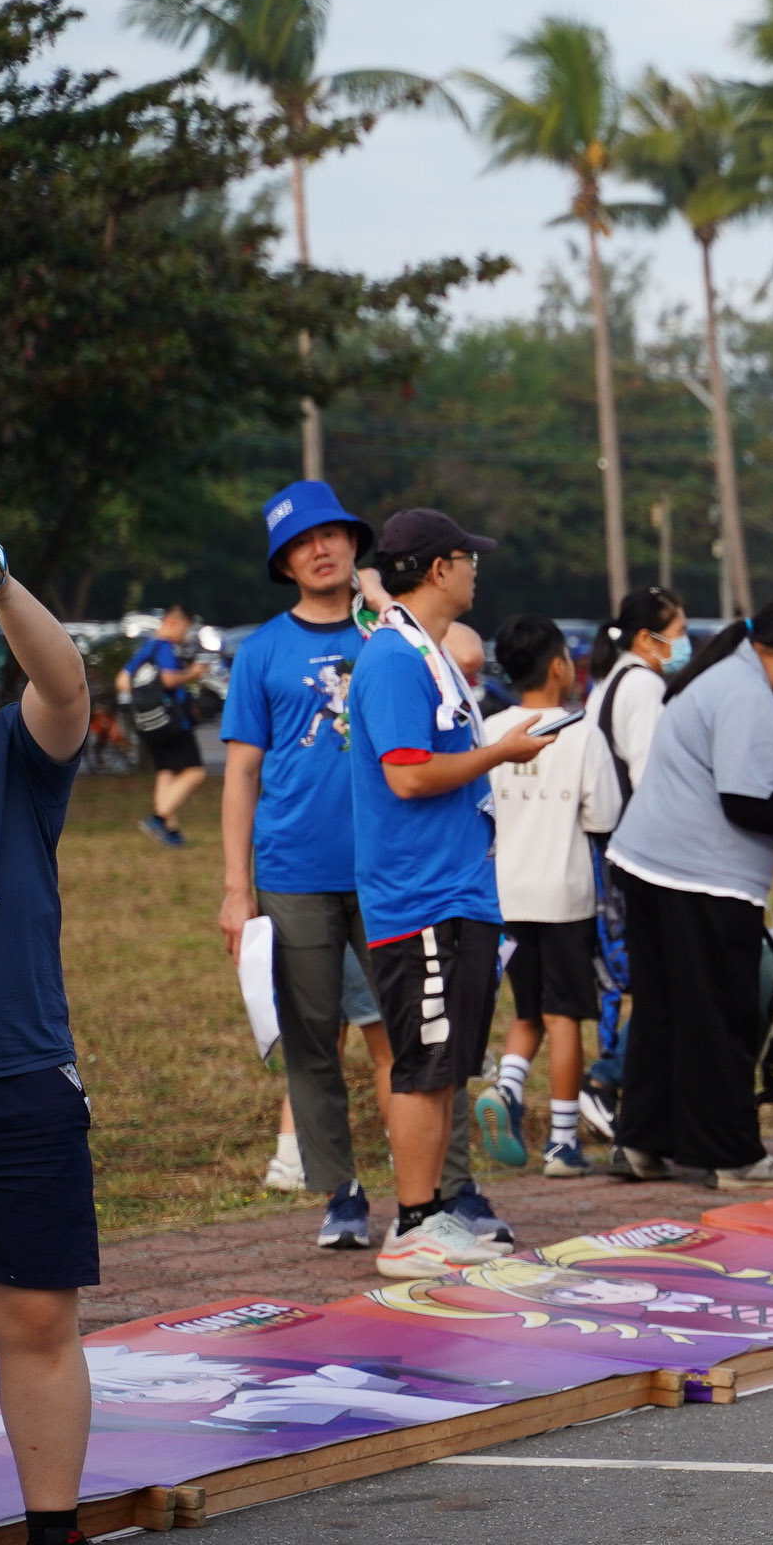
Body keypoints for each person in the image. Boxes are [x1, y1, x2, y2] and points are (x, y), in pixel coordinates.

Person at [216, 483, 497, 1247]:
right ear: (283, 564)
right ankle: (341, 1191)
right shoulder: (263, 651)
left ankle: (449, 1190)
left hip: (395, 872)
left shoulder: (395, 629)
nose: (320, 550)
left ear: (355, 544)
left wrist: (380, 599)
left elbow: (468, 653)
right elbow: (242, 771)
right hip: (294, 869)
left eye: (332, 535)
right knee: (314, 1040)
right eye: (300, 544)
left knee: (420, 1034)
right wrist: (237, 888)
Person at [0, 528, 116, 1545]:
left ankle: (55, 1541)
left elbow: (66, 687)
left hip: (13, 1081)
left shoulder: (8, 753)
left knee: (37, 1320)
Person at [346, 510, 558, 1278]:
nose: (477, 571)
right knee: (423, 1066)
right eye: (470, 559)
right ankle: (410, 1226)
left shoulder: (424, 651)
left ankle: (432, 1213)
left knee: (445, 1068)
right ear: (439, 569)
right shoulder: (395, 659)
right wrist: (500, 752)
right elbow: (407, 775)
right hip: (421, 896)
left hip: (454, 891)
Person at [606, 589, 773, 1189]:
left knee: (665, 1011)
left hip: (649, 862)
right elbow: (745, 803)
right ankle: (731, 1157)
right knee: (719, 1016)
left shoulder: (761, 685)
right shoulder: (746, 694)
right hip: (698, 877)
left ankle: (642, 1141)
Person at [479, 616, 617, 1179]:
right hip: (564, 896)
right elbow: (604, 815)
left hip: (506, 894)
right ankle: (562, 1142)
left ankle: (508, 1087)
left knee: (527, 1010)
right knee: (564, 1019)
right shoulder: (581, 732)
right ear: (559, 666)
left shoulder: (489, 729)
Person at [576, 586, 686, 1144]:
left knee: (632, 974)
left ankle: (616, 1080)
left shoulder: (612, 680)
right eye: (680, 632)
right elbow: (650, 777)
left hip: (609, 847)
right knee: (653, 973)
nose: (685, 644)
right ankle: (608, 1079)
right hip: (638, 850)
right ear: (648, 638)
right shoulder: (643, 685)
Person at [127, 602, 208, 847]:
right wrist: (193, 673)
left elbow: (122, 680)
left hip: (148, 721)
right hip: (172, 720)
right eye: (185, 628)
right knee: (195, 772)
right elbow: (169, 679)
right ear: (172, 622)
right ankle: (158, 819)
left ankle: (169, 830)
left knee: (167, 771)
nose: (185, 634)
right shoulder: (164, 647)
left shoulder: (147, 647)